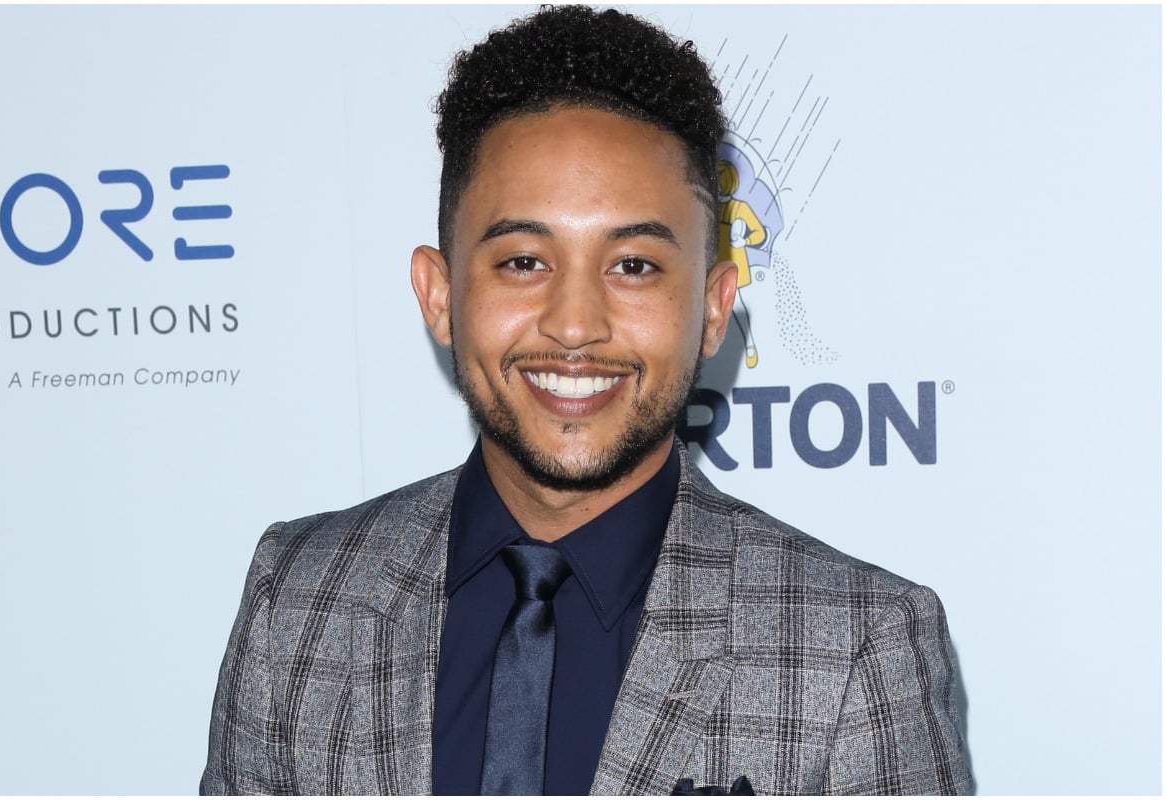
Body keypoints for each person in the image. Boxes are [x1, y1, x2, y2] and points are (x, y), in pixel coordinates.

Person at [201, 6, 973, 795]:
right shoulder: (295, 601)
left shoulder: (853, 649)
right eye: (524, 260)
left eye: (633, 265)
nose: (575, 324)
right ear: (438, 294)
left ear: (713, 307)